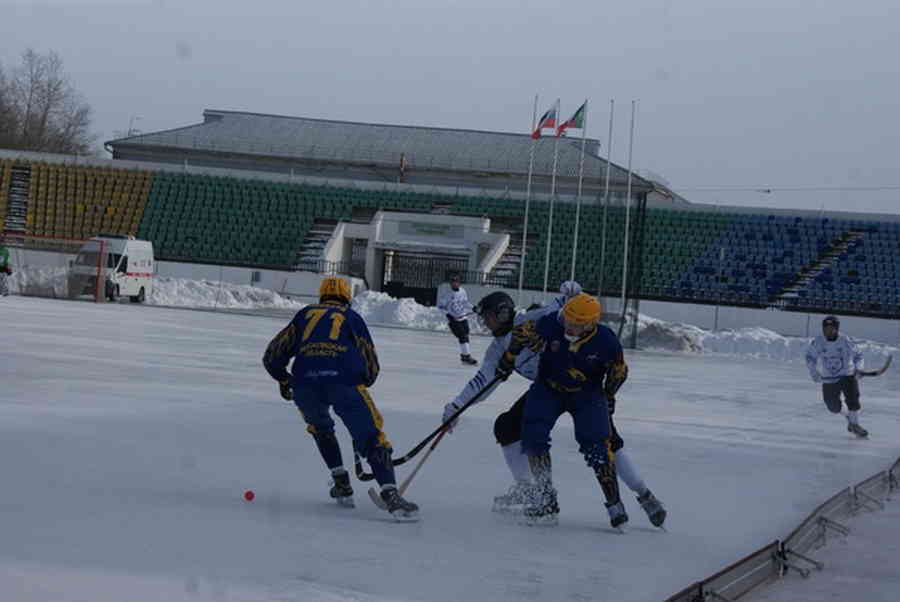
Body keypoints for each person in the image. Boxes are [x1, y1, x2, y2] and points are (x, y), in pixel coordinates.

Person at [263, 276, 419, 520]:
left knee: (320, 427)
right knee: (371, 437)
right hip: (343, 384)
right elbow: (371, 363)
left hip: (305, 384)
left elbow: (273, 355)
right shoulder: (352, 318)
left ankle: (341, 483)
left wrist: (285, 380)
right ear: (347, 298)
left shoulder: (305, 315)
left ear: (322, 296)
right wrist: (362, 382)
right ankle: (391, 494)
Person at [441, 281, 582, 513]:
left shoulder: (530, 320)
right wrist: (456, 406)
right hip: (545, 388)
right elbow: (482, 381)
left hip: (573, 384)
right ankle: (528, 488)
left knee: (593, 439)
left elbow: (563, 308)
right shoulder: (497, 348)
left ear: (503, 313)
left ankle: (549, 498)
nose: (485, 323)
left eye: (488, 317)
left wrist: (574, 292)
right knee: (506, 427)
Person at [494, 293, 629, 528]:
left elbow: (618, 371)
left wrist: (609, 396)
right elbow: (521, 333)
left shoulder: (606, 341)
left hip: (587, 393)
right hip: (549, 387)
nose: (568, 326)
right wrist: (508, 358)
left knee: (596, 444)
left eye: (575, 324)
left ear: (589, 325)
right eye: (567, 319)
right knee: (533, 435)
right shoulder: (551, 323)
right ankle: (546, 499)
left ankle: (614, 502)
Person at [805, 315, 868, 438]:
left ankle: (855, 424)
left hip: (847, 375)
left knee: (853, 400)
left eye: (831, 328)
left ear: (837, 329)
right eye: (825, 328)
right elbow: (810, 357)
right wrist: (814, 372)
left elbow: (858, 356)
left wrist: (859, 368)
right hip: (829, 378)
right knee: (833, 407)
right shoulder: (818, 341)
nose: (828, 331)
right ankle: (849, 417)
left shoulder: (846, 341)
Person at [437, 272, 477, 365]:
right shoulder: (448, 294)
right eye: (452, 282)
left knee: (466, 335)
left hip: (463, 317)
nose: (454, 283)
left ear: (459, 283)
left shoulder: (462, 291)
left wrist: (473, 307)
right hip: (454, 320)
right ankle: (466, 357)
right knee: (462, 336)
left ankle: (464, 356)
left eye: (456, 282)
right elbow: (440, 307)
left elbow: (465, 302)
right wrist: (448, 315)